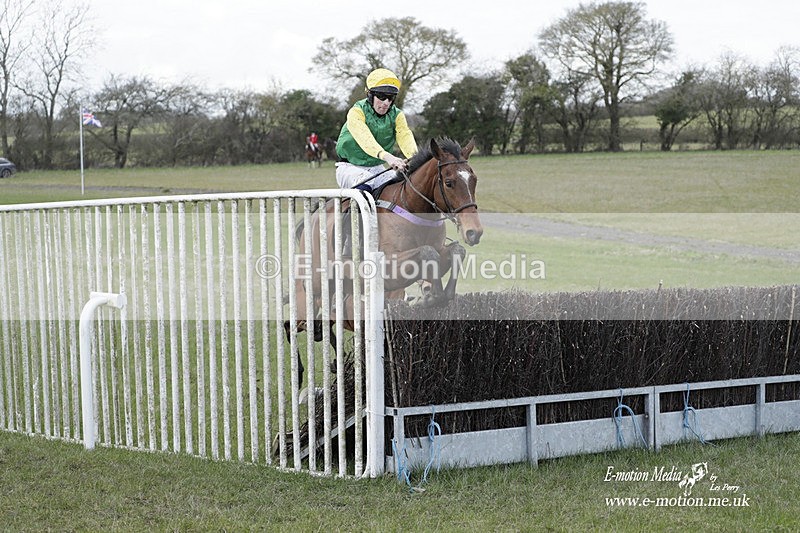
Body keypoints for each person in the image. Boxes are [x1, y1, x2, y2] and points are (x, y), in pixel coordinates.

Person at [335, 68, 417, 192]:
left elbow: (404, 135)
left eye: (390, 98)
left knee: (401, 187)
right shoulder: (356, 111)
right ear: (370, 94)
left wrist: (415, 157)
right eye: (381, 96)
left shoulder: (397, 115)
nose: (386, 103)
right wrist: (388, 157)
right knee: (366, 184)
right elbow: (365, 139)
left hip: (377, 167)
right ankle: (350, 211)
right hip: (349, 167)